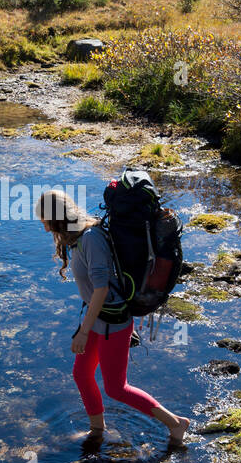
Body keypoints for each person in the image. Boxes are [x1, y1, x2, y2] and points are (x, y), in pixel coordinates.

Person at [36, 189, 190, 448]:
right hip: (98, 319)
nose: (43, 226)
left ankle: (176, 423)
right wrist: (85, 326)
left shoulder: (91, 239)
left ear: (56, 218)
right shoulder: (78, 239)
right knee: (82, 374)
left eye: (44, 220)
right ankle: (97, 431)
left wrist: (83, 331)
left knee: (116, 388)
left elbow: (101, 289)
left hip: (113, 323)